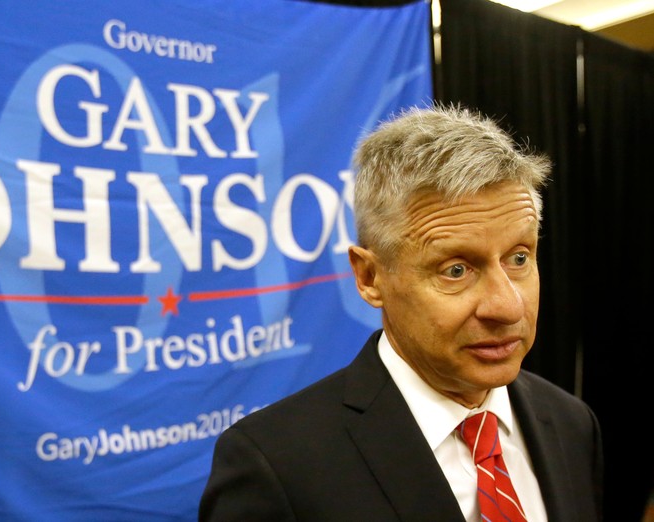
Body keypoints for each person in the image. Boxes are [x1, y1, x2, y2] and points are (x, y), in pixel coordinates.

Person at [198, 104, 603, 521]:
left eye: (519, 258)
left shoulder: (571, 423)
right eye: (456, 270)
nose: (508, 305)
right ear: (371, 277)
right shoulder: (275, 467)